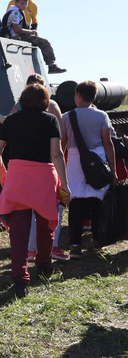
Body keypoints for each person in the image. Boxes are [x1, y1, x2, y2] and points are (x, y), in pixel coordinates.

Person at [0, 84, 70, 298]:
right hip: (44, 177)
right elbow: (56, 154)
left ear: (22, 99)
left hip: (17, 177)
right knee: (45, 227)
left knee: (18, 233)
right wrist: (65, 183)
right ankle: (44, 266)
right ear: (45, 101)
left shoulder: (11, 120)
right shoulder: (50, 120)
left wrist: (2, 171)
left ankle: (20, 279)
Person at [8, 74, 69, 261]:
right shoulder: (52, 106)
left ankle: (31, 249)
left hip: (23, 164)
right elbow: (62, 134)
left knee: (27, 208)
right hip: (48, 162)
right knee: (52, 207)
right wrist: (59, 158)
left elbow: (9, 129)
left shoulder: (18, 107)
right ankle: (53, 248)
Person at [60, 81, 117, 259]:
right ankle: (97, 241)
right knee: (97, 202)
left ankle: (75, 246)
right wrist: (113, 171)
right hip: (98, 159)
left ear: (78, 95)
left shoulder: (66, 117)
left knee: (76, 203)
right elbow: (108, 144)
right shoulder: (102, 116)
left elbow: (62, 145)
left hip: (76, 161)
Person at [3, 0, 66, 74]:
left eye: (26, 4)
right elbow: (17, 30)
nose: (24, 6)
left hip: (14, 35)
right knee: (44, 42)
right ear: (16, 3)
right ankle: (51, 65)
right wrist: (31, 31)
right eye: (22, 3)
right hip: (16, 37)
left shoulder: (13, 10)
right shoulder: (16, 13)